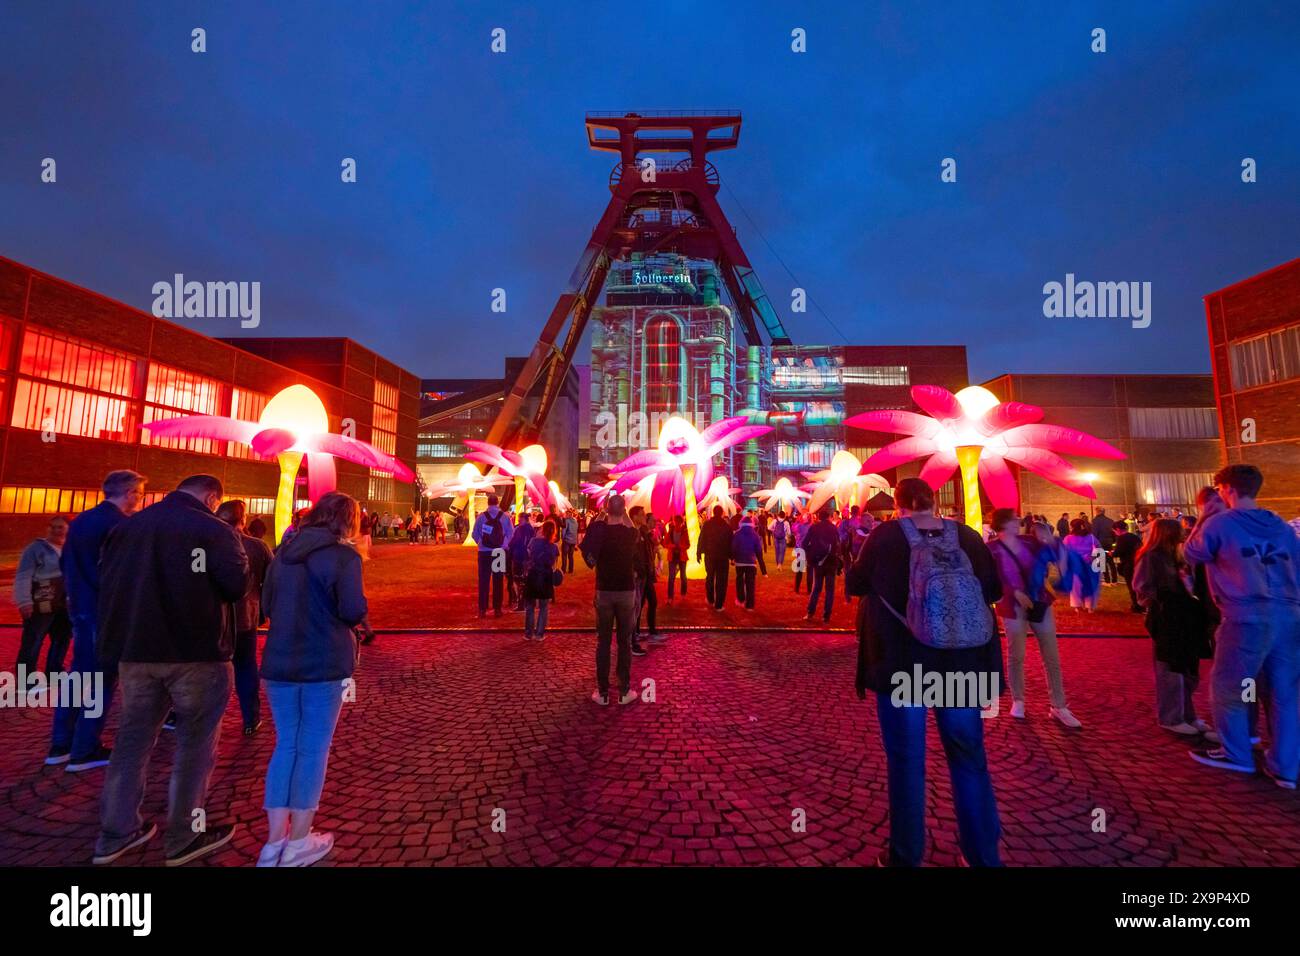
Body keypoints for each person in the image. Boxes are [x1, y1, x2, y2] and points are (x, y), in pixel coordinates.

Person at [92, 475, 249, 866]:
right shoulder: (214, 530)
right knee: (196, 745)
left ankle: (115, 833)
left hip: (137, 651)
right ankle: (185, 835)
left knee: (131, 741)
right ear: (212, 498)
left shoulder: (128, 528)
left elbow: (106, 583)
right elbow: (235, 586)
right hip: (196, 651)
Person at [847, 477, 1003, 867]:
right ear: (934, 502)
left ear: (898, 505)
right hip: (962, 665)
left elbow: (856, 582)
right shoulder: (966, 536)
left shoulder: (884, 537)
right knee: (968, 758)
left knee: (906, 761)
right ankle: (983, 856)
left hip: (904, 665)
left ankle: (906, 856)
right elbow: (993, 590)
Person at [257, 491, 368, 867]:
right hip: (324, 661)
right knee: (313, 748)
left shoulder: (282, 555)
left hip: (280, 661)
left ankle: (274, 842)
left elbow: (267, 606)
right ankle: (299, 841)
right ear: (348, 521)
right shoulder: (344, 557)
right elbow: (353, 610)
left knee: (286, 745)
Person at [1184, 464, 1300, 788]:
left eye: (1221, 489)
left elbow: (1192, 553)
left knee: (1230, 687)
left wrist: (1206, 515)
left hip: (1245, 614)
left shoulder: (1220, 523)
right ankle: (1286, 766)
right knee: (1285, 693)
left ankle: (1237, 753)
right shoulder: (1281, 526)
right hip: (1289, 615)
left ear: (1228, 489)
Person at [49, 470, 146, 770]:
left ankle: (61, 742)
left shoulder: (81, 522)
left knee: (79, 675)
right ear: (129, 493)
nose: (140, 500)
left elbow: (65, 563)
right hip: (104, 610)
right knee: (102, 678)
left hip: (80, 605)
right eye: (140, 493)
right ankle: (85, 747)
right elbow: (123, 571)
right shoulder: (119, 525)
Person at [988, 510, 1081, 728]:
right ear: (1003, 524)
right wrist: (1012, 592)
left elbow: (1054, 554)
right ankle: (1018, 700)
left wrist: (1050, 539)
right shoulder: (991, 549)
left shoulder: (1029, 542)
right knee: (1016, 654)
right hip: (1013, 607)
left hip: (1039, 601)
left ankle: (1059, 705)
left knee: (1051, 654)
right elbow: (991, 579)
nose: (1018, 522)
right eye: (1014, 519)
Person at [1133, 517, 1214, 736]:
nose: (1183, 535)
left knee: (1188, 668)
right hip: (1167, 616)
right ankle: (1171, 716)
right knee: (1170, 668)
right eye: (1179, 531)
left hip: (1185, 616)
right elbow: (1142, 587)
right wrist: (1163, 599)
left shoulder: (1179, 556)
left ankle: (1188, 714)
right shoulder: (1151, 557)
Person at [216, 500, 274, 736]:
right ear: (243, 520)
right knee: (246, 666)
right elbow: (271, 580)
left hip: (213, 619)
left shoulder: (205, 545)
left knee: (212, 669)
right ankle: (251, 717)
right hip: (245, 617)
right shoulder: (257, 547)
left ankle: (207, 718)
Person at [580, 494, 641, 705]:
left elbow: (591, 533)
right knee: (624, 642)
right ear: (623, 511)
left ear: (607, 509)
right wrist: (624, 512)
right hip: (626, 592)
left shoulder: (600, 532)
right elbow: (633, 528)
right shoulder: (629, 534)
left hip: (604, 591)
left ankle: (603, 692)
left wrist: (602, 513)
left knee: (603, 642)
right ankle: (624, 691)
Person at [14, 515, 72, 680]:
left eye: (60, 527)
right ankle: (26, 678)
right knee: (33, 640)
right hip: (41, 601)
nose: (55, 530)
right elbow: (23, 576)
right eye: (52, 526)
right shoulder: (35, 549)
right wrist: (24, 601)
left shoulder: (70, 548)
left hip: (64, 602)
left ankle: (54, 672)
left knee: (61, 639)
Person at [471, 494, 514, 618]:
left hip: (484, 552)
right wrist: (503, 544)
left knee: (483, 581)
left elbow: (474, 534)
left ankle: (482, 610)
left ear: (488, 503)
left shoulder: (481, 517)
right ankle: (497, 609)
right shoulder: (505, 517)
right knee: (498, 580)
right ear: (497, 503)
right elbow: (511, 533)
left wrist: (481, 543)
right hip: (499, 552)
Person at [802, 508, 841, 623]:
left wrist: (811, 552)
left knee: (816, 588)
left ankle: (810, 612)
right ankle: (826, 616)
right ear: (828, 517)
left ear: (819, 517)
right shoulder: (833, 528)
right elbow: (838, 544)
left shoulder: (814, 527)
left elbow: (804, 543)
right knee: (830, 590)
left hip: (818, 561)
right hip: (831, 561)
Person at [523, 520, 559, 642]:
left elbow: (528, 556)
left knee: (530, 606)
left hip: (533, 574)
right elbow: (554, 565)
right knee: (543, 607)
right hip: (546, 576)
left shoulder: (533, 542)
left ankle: (528, 633)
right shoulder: (554, 547)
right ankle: (539, 634)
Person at [629, 506, 658, 649]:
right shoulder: (634, 533)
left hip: (644, 573)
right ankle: (633, 638)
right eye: (642, 515)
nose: (644, 517)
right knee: (636, 606)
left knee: (640, 604)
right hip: (638, 574)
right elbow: (634, 555)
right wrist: (636, 570)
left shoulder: (642, 532)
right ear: (634, 517)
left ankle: (636, 634)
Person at [697, 505, 734, 612]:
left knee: (710, 577)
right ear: (722, 513)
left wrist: (699, 553)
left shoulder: (707, 524)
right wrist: (732, 556)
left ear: (713, 512)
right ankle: (719, 605)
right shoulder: (726, 526)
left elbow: (701, 539)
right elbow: (730, 542)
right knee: (721, 581)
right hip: (722, 557)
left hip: (710, 555)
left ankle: (710, 599)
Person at [1062, 518, 1101, 611]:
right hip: (1088, 564)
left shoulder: (1068, 538)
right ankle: (1089, 606)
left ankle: (1077, 606)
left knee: (1075, 586)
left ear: (1072, 527)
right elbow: (1098, 547)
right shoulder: (1091, 537)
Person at [731, 514, 767, 610]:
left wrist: (732, 558)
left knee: (739, 581)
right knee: (750, 583)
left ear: (741, 524)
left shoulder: (737, 534)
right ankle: (750, 605)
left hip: (740, 562)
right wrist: (763, 570)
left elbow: (733, 547)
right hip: (751, 562)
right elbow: (759, 551)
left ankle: (741, 600)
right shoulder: (755, 535)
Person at [1111, 519, 1143, 612]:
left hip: (1128, 564)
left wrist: (1112, 553)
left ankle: (1136, 606)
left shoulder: (1121, 538)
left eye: (1114, 531)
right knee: (1138, 584)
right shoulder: (1134, 537)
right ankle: (1141, 603)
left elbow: (1118, 552)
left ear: (1117, 529)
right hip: (1138, 562)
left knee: (1131, 585)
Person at [664, 514, 689, 603]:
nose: (677, 523)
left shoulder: (684, 532)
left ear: (682, 522)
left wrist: (681, 547)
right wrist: (672, 546)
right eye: (676, 521)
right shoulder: (670, 531)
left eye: (679, 522)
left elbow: (688, 544)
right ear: (674, 522)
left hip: (682, 556)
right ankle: (670, 597)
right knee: (671, 577)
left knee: (683, 576)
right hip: (672, 556)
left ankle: (683, 594)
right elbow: (665, 543)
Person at [1091, 508, 1117, 584]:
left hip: (1100, 543)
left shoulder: (1095, 521)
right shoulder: (1110, 520)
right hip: (1109, 542)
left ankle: (1107, 580)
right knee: (1111, 561)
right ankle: (1114, 580)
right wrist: (1113, 541)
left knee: (1102, 562)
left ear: (1097, 512)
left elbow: (1094, 533)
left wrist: (1093, 544)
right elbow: (1113, 532)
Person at [792, 512, 812, 593]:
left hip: (801, 549)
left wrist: (797, 521)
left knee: (800, 569)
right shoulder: (811, 526)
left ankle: (797, 588)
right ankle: (809, 589)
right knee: (809, 570)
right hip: (808, 549)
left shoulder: (800, 526)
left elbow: (793, 529)